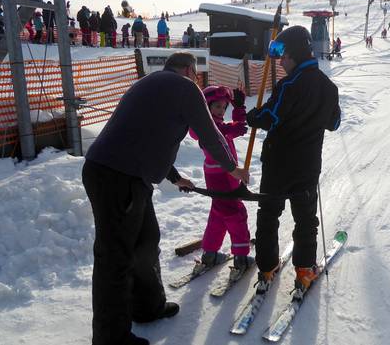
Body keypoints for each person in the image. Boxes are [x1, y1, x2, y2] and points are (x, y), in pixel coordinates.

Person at [82, 52, 249, 345]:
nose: (197, 80)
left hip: (123, 174)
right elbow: (210, 134)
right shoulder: (184, 87)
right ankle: (111, 338)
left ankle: (147, 307)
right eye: (196, 74)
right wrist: (233, 168)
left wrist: (174, 177)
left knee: (146, 240)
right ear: (188, 69)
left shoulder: (151, 82)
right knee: (115, 257)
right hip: (117, 177)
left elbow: (144, 136)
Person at [246, 26, 341, 298]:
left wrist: (253, 116)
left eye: (283, 56)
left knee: (268, 215)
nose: (280, 62)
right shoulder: (328, 87)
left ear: (295, 55)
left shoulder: (289, 85)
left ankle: (267, 268)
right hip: (308, 167)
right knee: (305, 220)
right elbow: (333, 123)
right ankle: (303, 270)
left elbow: (270, 118)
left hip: (277, 166)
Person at [189, 86, 252, 277]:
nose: (221, 111)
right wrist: (239, 111)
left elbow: (235, 129)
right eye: (217, 106)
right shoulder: (212, 128)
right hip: (225, 176)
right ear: (207, 107)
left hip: (215, 176)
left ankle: (210, 253)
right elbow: (235, 128)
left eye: (224, 107)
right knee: (235, 213)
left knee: (218, 213)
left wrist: (238, 107)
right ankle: (241, 258)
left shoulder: (208, 126)